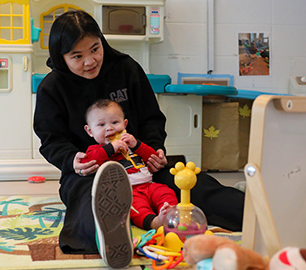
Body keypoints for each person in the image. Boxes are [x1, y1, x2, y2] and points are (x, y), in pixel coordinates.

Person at [33, 9, 245, 267]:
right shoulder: (52, 88)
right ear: (61, 56)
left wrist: (155, 150)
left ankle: (256, 213)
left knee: (191, 185)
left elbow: (151, 118)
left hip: (142, 166)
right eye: (77, 56)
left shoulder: (126, 68)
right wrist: (72, 160)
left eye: (95, 49)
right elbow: (51, 139)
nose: (89, 61)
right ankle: (113, 241)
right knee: (90, 203)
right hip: (90, 173)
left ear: (102, 42)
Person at [81, 99, 178, 230]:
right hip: (127, 191)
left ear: (125, 124)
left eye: (115, 122)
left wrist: (137, 144)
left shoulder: (131, 144)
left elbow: (151, 157)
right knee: (135, 208)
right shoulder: (95, 150)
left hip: (149, 185)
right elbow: (88, 160)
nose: (109, 128)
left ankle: (169, 213)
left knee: (166, 192)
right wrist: (111, 148)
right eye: (101, 125)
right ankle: (154, 222)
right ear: (90, 131)